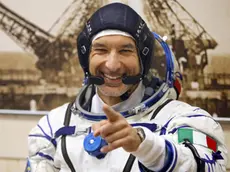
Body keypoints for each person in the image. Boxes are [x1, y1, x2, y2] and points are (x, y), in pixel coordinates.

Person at [26, 2, 227, 172]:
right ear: (86, 59)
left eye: (125, 50)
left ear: (143, 60)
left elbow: (206, 165)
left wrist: (147, 146)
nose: (112, 65)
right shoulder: (53, 127)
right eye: (101, 50)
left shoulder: (185, 120)